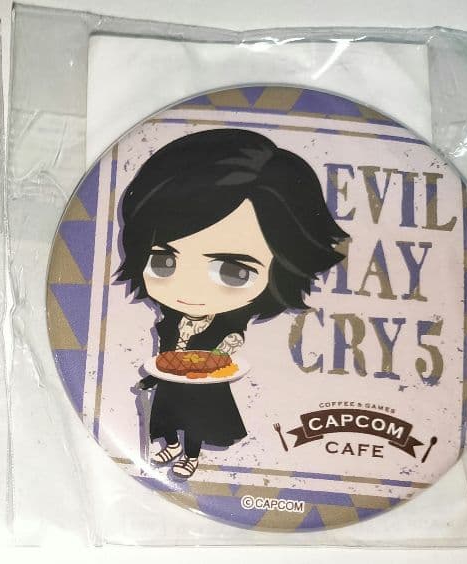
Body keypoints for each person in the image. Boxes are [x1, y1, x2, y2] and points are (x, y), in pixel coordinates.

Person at [115, 128, 347, 481]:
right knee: (167, 415)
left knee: (195, 420)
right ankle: (172, 445)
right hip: (170, 385)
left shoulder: (228, 324)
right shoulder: (169, 318)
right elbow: (165, 351)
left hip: (205, 389)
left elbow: (230, 344)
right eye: (163, 261)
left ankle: (190, 455)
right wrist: (154, 377)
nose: (189, 288)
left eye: (232, 271)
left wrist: (222, 351)